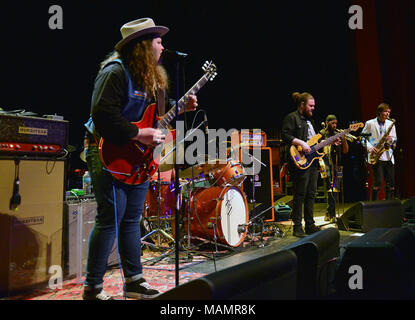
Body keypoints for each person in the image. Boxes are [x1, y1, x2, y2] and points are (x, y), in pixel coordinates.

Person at [82, 18, 198, 300]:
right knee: (109, 219)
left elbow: (154, 116)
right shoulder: (115, 71)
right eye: (158, 41)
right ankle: (93, 288)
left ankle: (134, 282)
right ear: (143, 46)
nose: (163, 45)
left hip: (136, 156)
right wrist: (138, 134)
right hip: (105, 151)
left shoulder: (153, 78)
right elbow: (103, 115)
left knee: (132, 219)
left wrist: (178, 108)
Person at [282, 92, 323, 237]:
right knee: (300, 194)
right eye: (310, 106)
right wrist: (300, 142)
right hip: (299, 161)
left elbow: (314, 142)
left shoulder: (310, 121)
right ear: (302, 105)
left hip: (312, 161)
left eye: (313, 106)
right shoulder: (292, 118)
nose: (313, 108)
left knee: (311, 194)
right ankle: (298, 227)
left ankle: (310, 225)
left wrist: (330, 141)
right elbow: (285, 135)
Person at [362, 103, 397, 200]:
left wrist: (391, 139)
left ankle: (389, 205)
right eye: (386, 111)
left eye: (389, 112)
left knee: (391, 182)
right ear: (379, 112)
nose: (388, 114)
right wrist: (370, 147)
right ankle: (373, 206)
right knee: (378, 182)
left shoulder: (391, 124)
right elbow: (363, 138)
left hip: (388, 155)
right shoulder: (370, 123)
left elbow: (394, 138)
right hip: (376, 155)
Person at [319, 115, 349, 222]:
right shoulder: (322, 133)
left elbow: (345, 151)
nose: (335, 125)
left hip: (338, 165)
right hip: (326, 163)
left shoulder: (338, 134)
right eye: (332, 123)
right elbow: (321, 149)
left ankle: (330, 212)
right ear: (327, 123)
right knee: (331, 188)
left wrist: (344, 138)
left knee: (337, 189)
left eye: (336, 123)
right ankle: (331, 214)